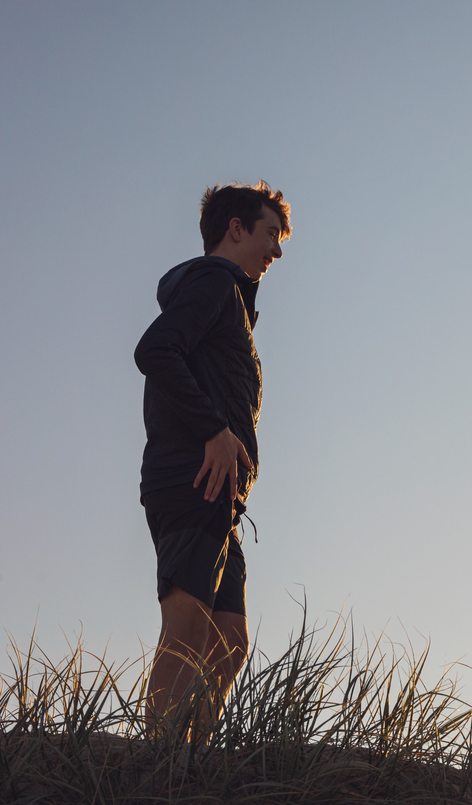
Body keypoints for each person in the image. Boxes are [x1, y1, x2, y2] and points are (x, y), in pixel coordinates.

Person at [134, 181, 290, 740]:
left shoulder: (228, 299)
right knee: (188, 628)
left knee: (228, 642)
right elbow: (154, 350)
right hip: (191, 477)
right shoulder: (212, 282)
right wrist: (215, 430)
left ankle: (192, 758)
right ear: (235, 228)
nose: (277, 250)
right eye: (270, 233)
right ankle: (160, 770)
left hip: (221, 492)